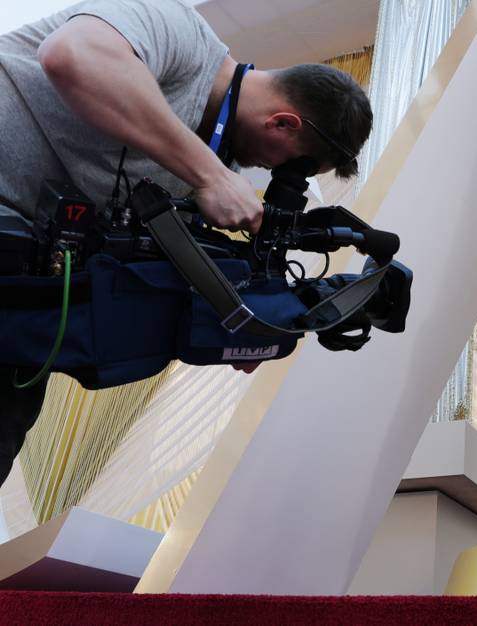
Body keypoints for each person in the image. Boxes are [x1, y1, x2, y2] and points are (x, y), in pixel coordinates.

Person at [0, 0, 373, 484]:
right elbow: (72, 55)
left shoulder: (210, 165)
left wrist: (246, 322)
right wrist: (207, 174)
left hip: (20, 286)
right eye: (290, 165)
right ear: (283, 123)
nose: (271, 173)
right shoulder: (176, 30)